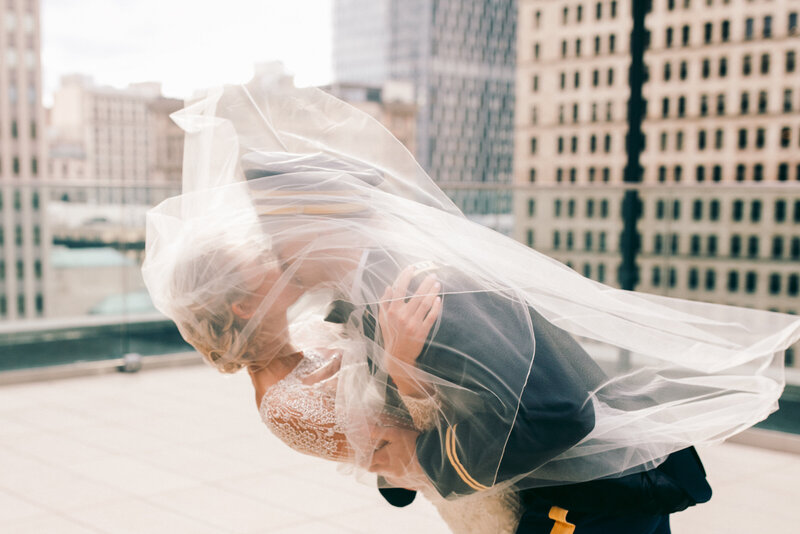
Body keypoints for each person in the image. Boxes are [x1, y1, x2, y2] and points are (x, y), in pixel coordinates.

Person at [142, 77, 800, 533]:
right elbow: (394, 468)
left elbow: (551, 415)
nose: (271, 257)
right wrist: (399, 376)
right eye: (264, 258)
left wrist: (402, 379)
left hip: (583, 508)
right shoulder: (363, 308)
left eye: (274, 243)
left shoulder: (420, 293)